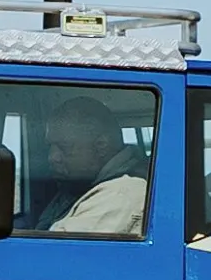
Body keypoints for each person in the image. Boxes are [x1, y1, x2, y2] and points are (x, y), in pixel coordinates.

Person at [37, 96, 150, 235]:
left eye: (64, 147)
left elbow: (54, 252)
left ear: (101, 146)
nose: (52, 157)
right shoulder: (77, 186)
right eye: (50, 147)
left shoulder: (121, 194)